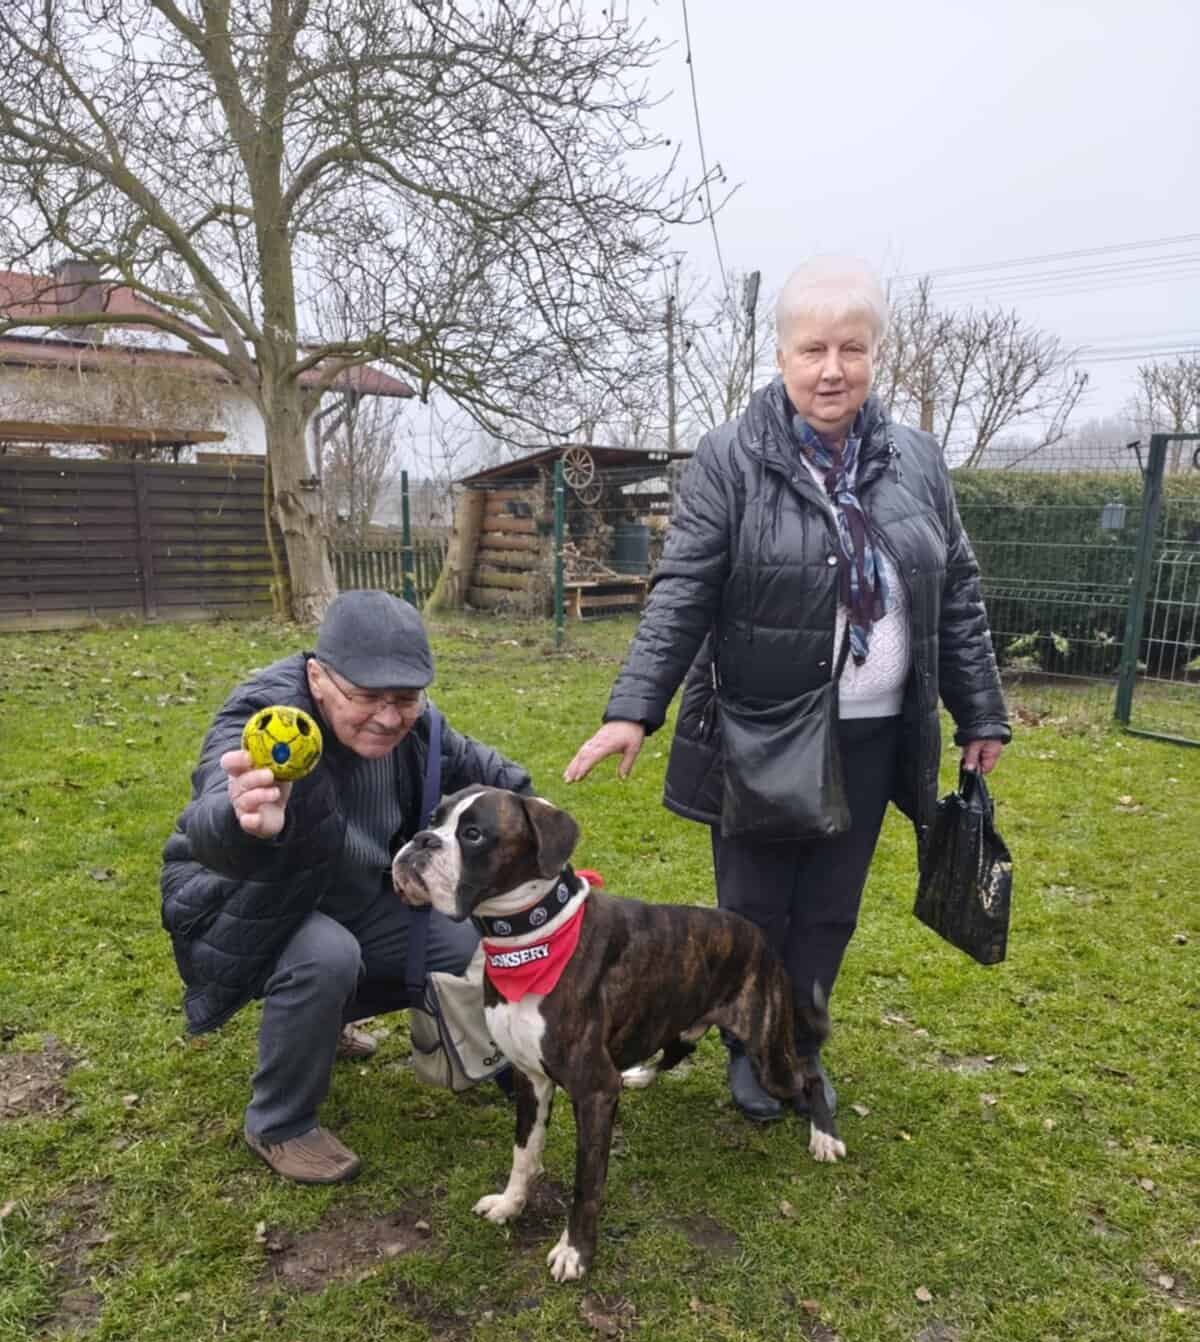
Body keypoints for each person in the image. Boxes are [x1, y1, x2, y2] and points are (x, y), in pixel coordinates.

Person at [564, 256, 1010, 1123]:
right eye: (813, 349)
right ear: (782, 356)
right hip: (763, 730)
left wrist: (979, 710)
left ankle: (800, 1045)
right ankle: (750, 1046)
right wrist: (633, 709)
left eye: (852, 348)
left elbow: (954, 589)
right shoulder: (731, 457)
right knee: (757, 907)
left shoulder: (917, 459)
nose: (832, 369)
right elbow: (684, 589)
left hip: (876, 731)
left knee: (831, 910)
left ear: (877, 354)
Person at [161, 589, 532, 1184]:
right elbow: (210, 817)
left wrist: (535, 814)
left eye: (404, 698)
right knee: (326, 956)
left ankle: (343, 1028)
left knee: (459, 941)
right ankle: (279, 1123)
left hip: (353, 892)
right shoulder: (267, 718)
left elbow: (486, 771)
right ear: (318, 677)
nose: (388, 717)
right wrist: (242, 820)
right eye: (365, 697)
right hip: (245, 899)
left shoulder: (418, 725)